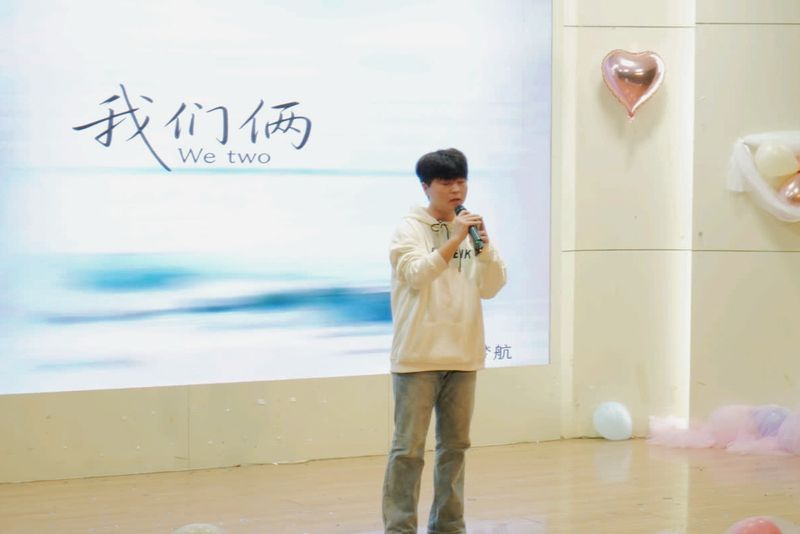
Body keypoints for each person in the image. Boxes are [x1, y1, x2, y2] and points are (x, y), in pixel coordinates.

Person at [382, 148, 507, 533]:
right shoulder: (409, 229)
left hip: (464, 355)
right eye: (446, 183)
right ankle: (400, 528)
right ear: (426, 187)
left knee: (455, 448)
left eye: (461, 181)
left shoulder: (470, 229)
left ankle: (449, 526)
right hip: (418, 356)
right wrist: (454, 239)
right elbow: (417, 275)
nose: (456, 190)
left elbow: (492, 287)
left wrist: (484, 249)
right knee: (408, 451)